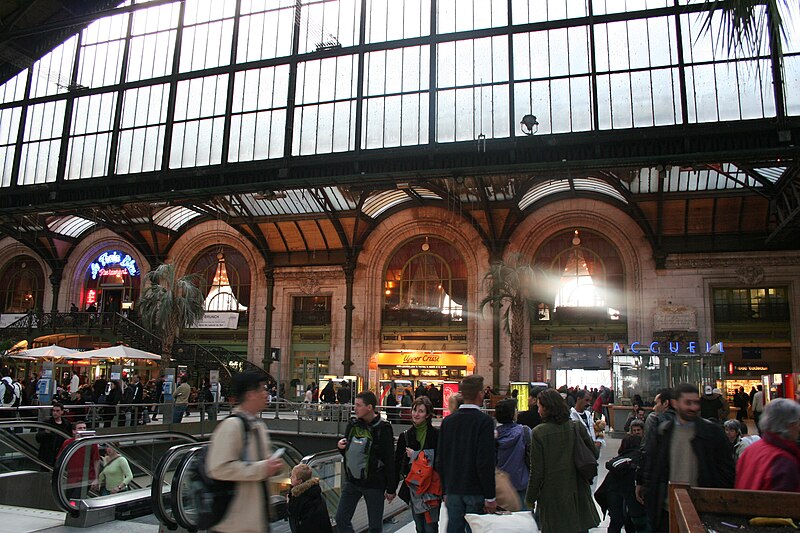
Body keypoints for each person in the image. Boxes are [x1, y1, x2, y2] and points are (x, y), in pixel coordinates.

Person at [637, 383, 734, 533]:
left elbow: (726, 471)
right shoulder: (663, 432)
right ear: (675, 403)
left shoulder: (712, 433)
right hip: (667, 510)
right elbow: (651, 465)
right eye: (688, 402)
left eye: (696, 402)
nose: (693, 407)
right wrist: (646, 489)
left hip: (701, 509)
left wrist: (717, 500)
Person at [206, 372, 283, 532]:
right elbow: (218, 468)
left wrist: (272, 466)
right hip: (234, 523)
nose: (266, 394)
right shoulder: (231, 426)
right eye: (263, 389)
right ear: (250, 395)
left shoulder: (258, 425)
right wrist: (262, 468)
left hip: (254, 521)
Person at [526, 389, 600, 533]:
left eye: (540, 406)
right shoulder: (576, 426)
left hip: (552, 496)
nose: (538, 410)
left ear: (547, 408)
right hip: (578, 491)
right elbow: (594, 454)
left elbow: (537, 472)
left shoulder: (539, 433)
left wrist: (530, 499)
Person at [436, 375, 496, 533]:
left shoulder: (448, 422)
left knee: (454, 528)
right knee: (475, 528)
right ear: (480, 393)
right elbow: (485, 461)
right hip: (475, 490)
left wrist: (445, 490)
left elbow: (441, 458)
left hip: (453, 489)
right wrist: (490, 496)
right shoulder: (485, 422)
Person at [335, 390, 396, 533]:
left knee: (375, 526)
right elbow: (350, 451)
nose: (355, 408)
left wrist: (391, 488)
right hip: (353, 480)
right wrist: (341, 448)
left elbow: (389, 459)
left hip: (374, 484)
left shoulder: (383, 428)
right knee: (341, 518)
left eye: (358, 405)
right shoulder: (353, 425)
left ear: (369, 407)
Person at [395, 396, 440, 532]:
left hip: (431, 487)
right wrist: (391, 487)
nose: (416, 414)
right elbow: (397, 461)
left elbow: (439, 460)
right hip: (414, 488)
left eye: (421, 411)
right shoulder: (406, 436)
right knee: (419, 526)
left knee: (430, 527)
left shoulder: (436, 435)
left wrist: (416, 455)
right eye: (415, 410)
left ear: (427, 415)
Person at [735, 398, 800, 492]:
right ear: (789, 425)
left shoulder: (752, 449)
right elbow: (784, 502)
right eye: (797, 423)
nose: (799, 428)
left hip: (744, 503)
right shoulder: (782, 460)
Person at [595, 435, 647, 533]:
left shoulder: (619, 462)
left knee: (615, 523)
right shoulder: (640, 459)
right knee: (632, 524)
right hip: (633, 499)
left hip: (615, 494)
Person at [495, 399, 530, 510]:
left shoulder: (492, 435)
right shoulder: (524, 432)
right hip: (521, 482)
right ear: (513, 414)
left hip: (499, 487)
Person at [57, 420, 101, 500]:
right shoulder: (68, 443)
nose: (83, 430)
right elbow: (60, 459)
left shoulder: (92, 443)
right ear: (74, 431)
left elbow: (96, 460)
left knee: (75, 499)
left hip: (86, 479)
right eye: (80, 428)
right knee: (67, 499)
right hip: (71, 478)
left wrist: (96, 479)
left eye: (84, 428)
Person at [287, 463, 333, 533]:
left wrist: (289, 501)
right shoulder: (314, 491)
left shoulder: (300, 496)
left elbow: (293, 512)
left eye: (293, 477)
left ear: (300, 481)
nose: (290, 478)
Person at [36, 403, 72, 467]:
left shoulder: (66, 424)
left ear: (62, 412)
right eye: (53, 411)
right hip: (47, 455)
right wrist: (45, 433)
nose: (55, 413)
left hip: (60, 454)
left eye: (57, 411)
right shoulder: (47, 423)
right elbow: (38, 438)